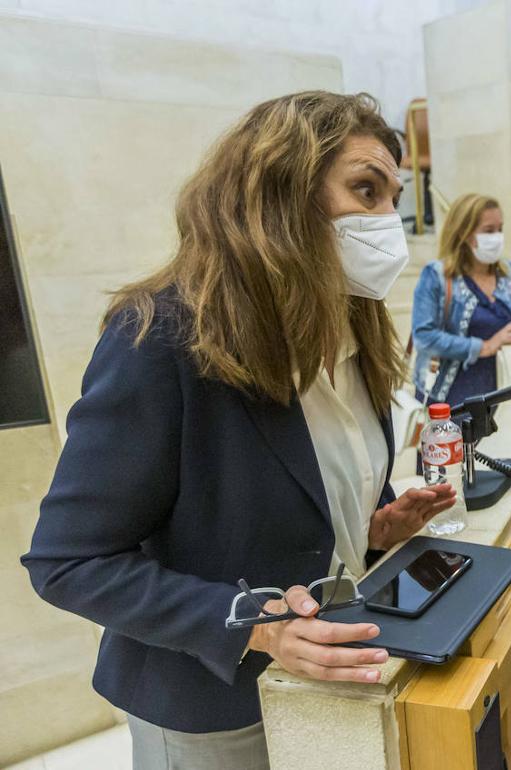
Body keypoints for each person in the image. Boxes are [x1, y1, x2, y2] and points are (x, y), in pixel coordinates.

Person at [21, 91, 459, 769]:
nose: (386, 223)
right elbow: (68, 563)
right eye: (364, 190)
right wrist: (256, 625)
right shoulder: (163, 339)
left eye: (391, 200)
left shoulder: (355, 330)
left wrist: (373, 528)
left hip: (323, 675)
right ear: (278, 192)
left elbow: (302, 492)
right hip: (208, 704)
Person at [410, 193, 511, 406]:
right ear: (464, 233)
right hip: (455, 397)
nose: (497, 237)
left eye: (500, 229)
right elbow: (424, 337)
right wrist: (486, 346)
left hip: (509, 391)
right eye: (488, 231)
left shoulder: (509, 272)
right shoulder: (437, 276)